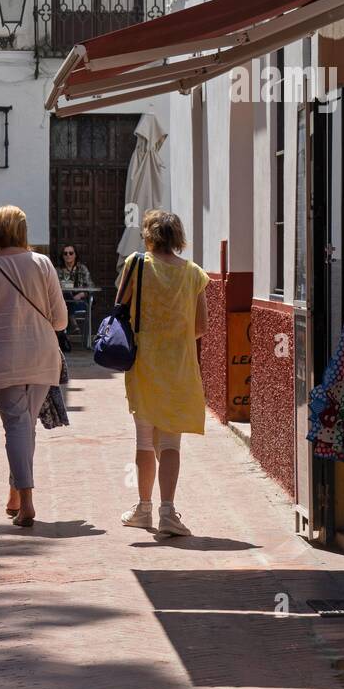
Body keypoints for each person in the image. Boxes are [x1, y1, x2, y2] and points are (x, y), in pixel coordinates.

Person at [0, 206, 68, 527]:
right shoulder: (43, 264)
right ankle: (15, 492)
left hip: (2, 357)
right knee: (25, 424)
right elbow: (61, 319)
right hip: (42, 354)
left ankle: (26, 501)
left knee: (16, 424)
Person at [118, 209, 209, 537]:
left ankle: (143, 510)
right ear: (178, 237)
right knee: (171, 442)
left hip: (143, 366)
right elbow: (201, 326)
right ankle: (168, 512)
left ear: (150, 235)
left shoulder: (136, 265)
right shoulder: (194, 274)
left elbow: (119, 310)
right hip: (180, 368)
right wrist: (175, 337)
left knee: (144, 441)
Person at [57, 245, 93, 339]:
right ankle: (73, 322)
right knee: (66, 295)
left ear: (75, 255)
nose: (68, 255)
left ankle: (68, 330)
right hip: (62, 302)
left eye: (71, 253)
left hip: (79, 302)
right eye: (65, 253)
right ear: (62, 256)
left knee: (68, 299)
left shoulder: (82, 269)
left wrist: (82, 294)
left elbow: (91, 286)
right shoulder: (58, 270)